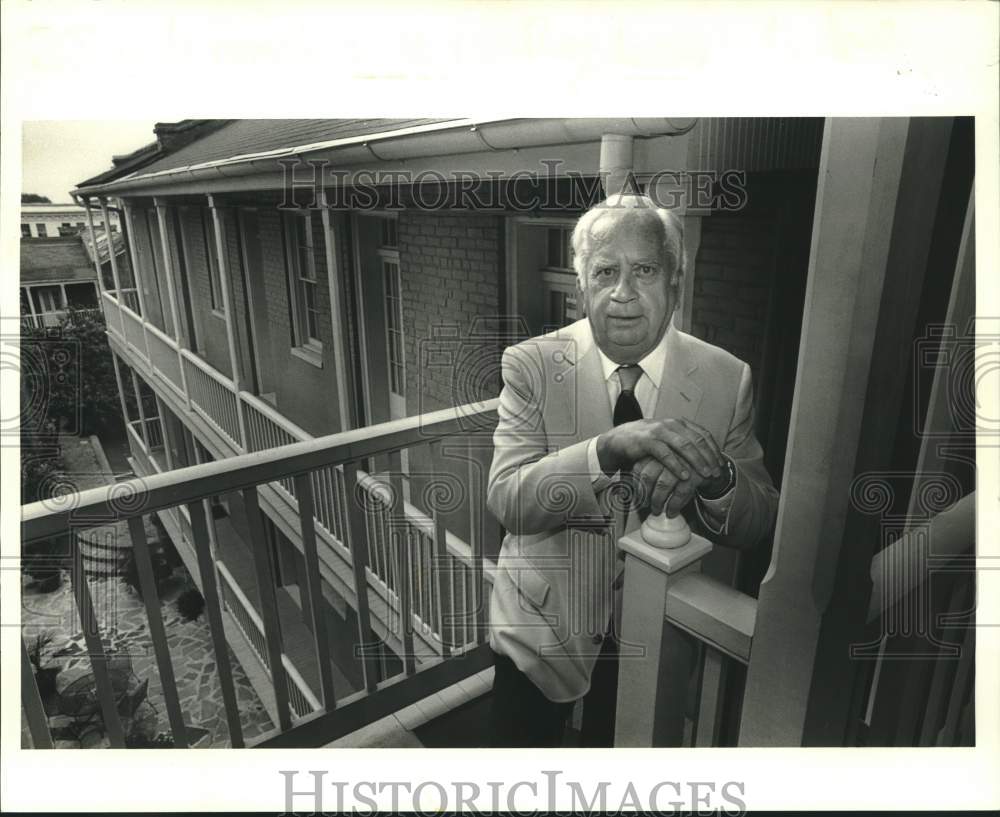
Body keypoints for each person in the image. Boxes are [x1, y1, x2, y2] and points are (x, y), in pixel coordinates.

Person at [486, 194, 779, 747]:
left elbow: (758, 519)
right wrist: (609, 448)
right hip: (540, 635)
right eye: (605, 271)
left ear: (676, 281)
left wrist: (717, 480)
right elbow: (509, 501)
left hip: (653, 642)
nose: (622, 293)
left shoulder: (726, 377)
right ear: (580, 287)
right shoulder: (530, 364)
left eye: (644, 270)